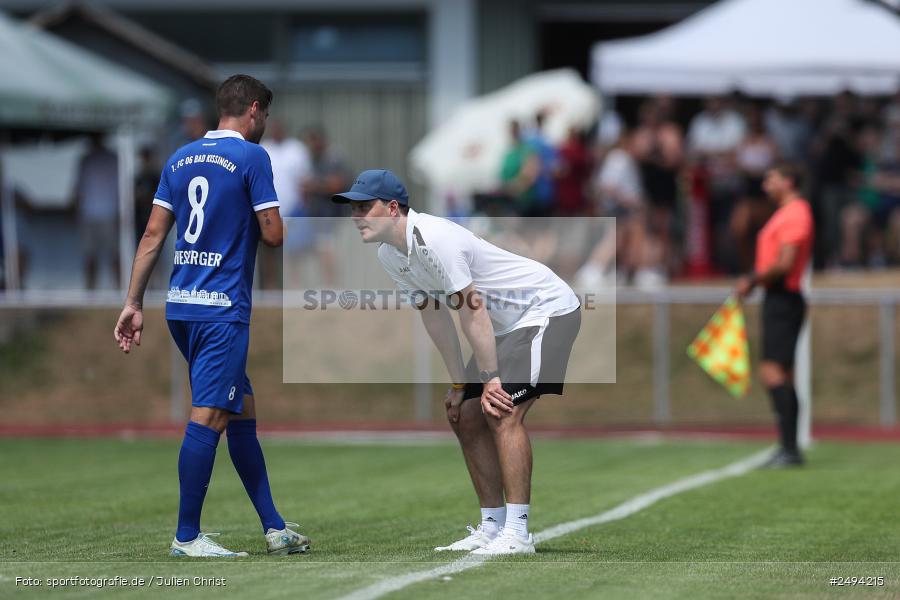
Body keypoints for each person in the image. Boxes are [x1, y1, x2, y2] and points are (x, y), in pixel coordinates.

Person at [333, 169, 581, 555]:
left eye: (365, 207)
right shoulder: (389, 254)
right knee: (466, 414)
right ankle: (491, 526)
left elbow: (472, 308)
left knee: (502, 409)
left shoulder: (435, 238)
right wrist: (459, 385)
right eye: (353, 208)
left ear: (393, 208)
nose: (356, 216)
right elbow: (434, 313)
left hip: (544, 310)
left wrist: (492, 379)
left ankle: (517, 534)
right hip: (504, 326)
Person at [113, 75, 310, 557]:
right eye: (263, 116)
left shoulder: (179, 158)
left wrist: (133, 303)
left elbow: (152, 237)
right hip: (222, 309)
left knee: (242, 408)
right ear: (256, 111)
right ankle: (186, 536)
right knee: (212, 413)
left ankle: (275, 528)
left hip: (180, 304)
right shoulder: (252, 157)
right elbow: (275, 235)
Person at [735, 162, 814, 468]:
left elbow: (785, 263)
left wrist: (751, 280)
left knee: (773, 373)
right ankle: (788, 447)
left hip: (783, 299)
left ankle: (789, 448)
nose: (765, 185)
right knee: (785, 375)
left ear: (788, 181)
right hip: (778, 298)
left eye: (771, 179)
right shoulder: (785, 213)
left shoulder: (796, 213)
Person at [260, 119, 311, 289]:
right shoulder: (264, 148)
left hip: (294, 210)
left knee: (294, 252)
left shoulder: (296, 150)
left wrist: (303, 207)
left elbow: (304, 181)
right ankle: (271, 287)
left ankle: (294, 286)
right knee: (268, 250)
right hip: (269, 210)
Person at [73, 133, 120, 289]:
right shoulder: (85, 160)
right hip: (90, 212)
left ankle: (120, 288)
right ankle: (90, 291)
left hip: (107, 212)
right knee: (91, 256)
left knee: (112, 255)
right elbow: (78, 188)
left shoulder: (113, 158)